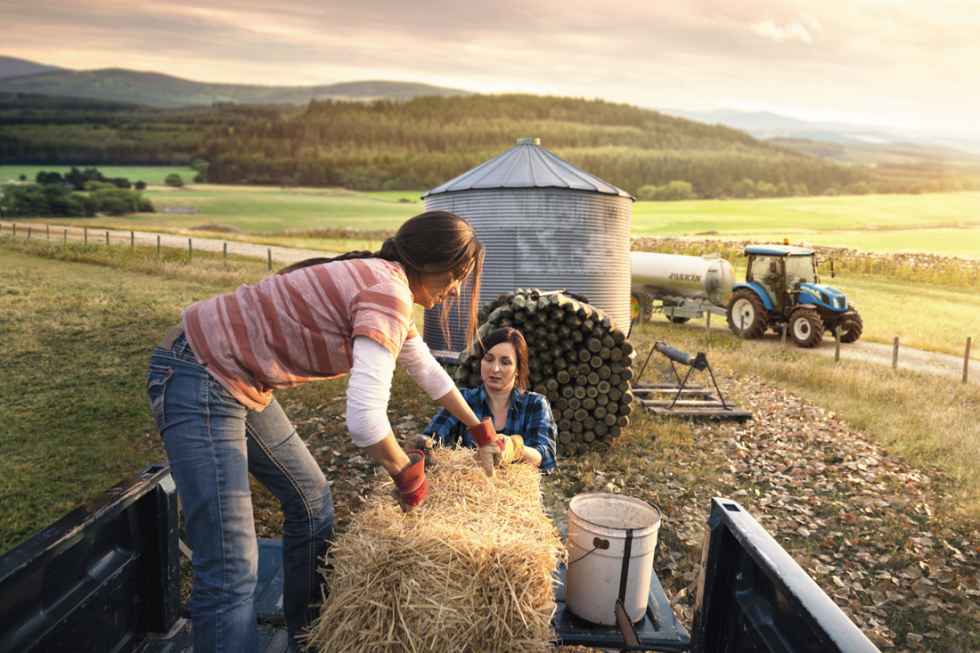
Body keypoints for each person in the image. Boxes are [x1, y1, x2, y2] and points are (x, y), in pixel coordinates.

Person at [145, 210, 501, 653]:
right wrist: (409, 478)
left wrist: (478, 427)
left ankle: (308, 638)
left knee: (312, 501)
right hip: (198, 370)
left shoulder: (389, 286)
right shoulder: (386, 292)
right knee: (231, 564)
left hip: (239, 379)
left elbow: (426, 370)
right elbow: (366, 421)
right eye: (458, 278)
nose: (455, 292)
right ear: (439, 265)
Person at [420, 327, 557, 474]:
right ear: (481, 362)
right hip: (471, 490)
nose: (495, 368)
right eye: (489, 359)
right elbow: (432, 438)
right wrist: (422, 445)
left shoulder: (535, 404)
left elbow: (546, 457)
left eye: (505, 362)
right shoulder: (464, 400)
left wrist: (514, 448)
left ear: (518, 369)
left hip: (515, 493)